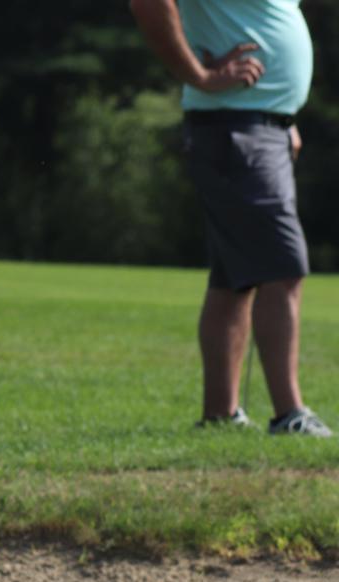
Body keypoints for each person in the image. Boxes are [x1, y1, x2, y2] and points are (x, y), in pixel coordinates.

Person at [130, 0, 332, 436]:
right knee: (283, 267)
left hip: (261, 127)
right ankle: (289, 414)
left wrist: (282, 116)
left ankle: (221, 416)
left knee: (234, 279)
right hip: (235, 129)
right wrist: (200, 76)